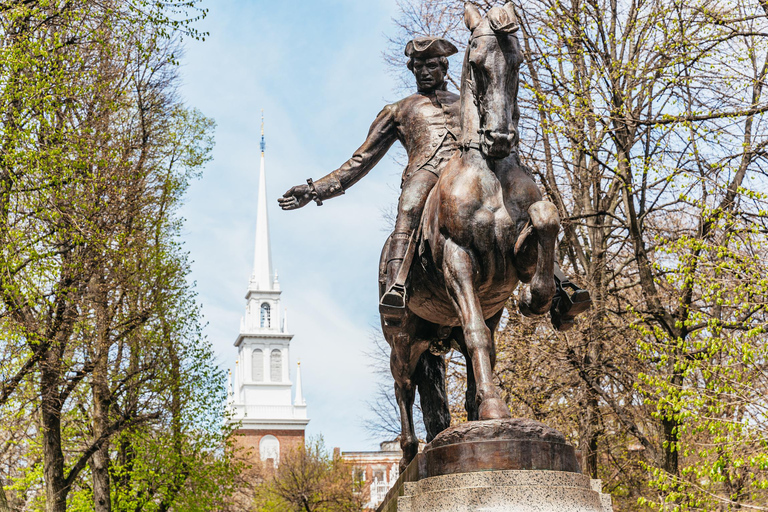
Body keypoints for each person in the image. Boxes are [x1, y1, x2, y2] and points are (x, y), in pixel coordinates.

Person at [278, 37, 590, 330]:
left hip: (472, 175)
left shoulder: (467, 103)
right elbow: (361, 160)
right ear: (411, 69)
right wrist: (315, 189)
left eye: (433, 65)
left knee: (521, 207)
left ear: (445, 68)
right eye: (419, 66)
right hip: (427, 174)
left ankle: (559, 286)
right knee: (412, 202)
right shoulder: (398, 110)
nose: (426, 72)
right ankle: (398, 285)